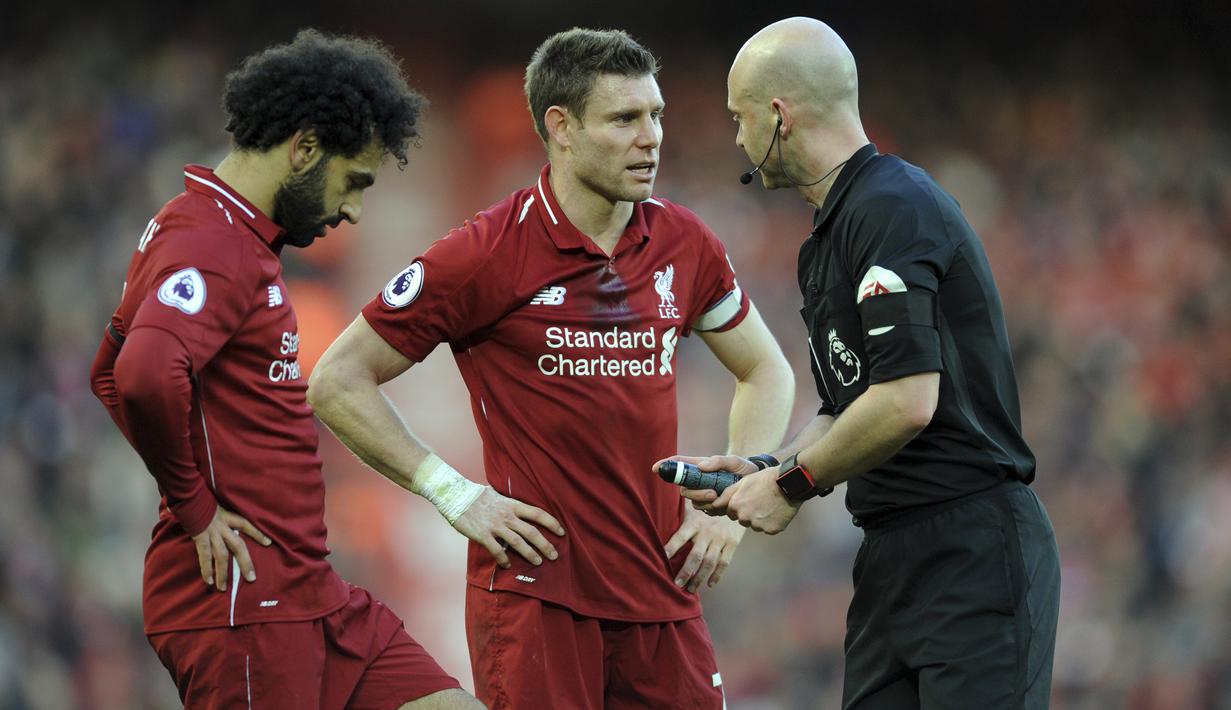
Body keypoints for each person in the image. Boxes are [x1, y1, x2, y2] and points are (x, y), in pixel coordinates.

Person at [307, 27, 795, 709]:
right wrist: (453, 494)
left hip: (662, 593)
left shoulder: (685, 243)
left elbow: (767, 372)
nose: (650, 137)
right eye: (624, 118)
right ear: (560, 128)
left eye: (655, 115)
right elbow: (336, 379)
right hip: (536, 602)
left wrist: (730, 501)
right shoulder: (485, 253)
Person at [672, 16, 1062, 710]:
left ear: (777, 115)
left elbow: (907, 399)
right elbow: (846, 404)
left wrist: (791, 485)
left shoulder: (892, 207)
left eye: (739, 118)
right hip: (891, 556)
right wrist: (768, 465)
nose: (736, 138)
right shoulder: (829, 235)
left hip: (972, 549)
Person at [89, 30, 485, 710]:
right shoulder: (213, 243)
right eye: (352, 181)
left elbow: (108, 371)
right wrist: (196, 506)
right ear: (304, 148)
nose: (353, 209)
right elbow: (143, 373)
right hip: (242, 600)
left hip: (311, 594)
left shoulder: (220, 231)